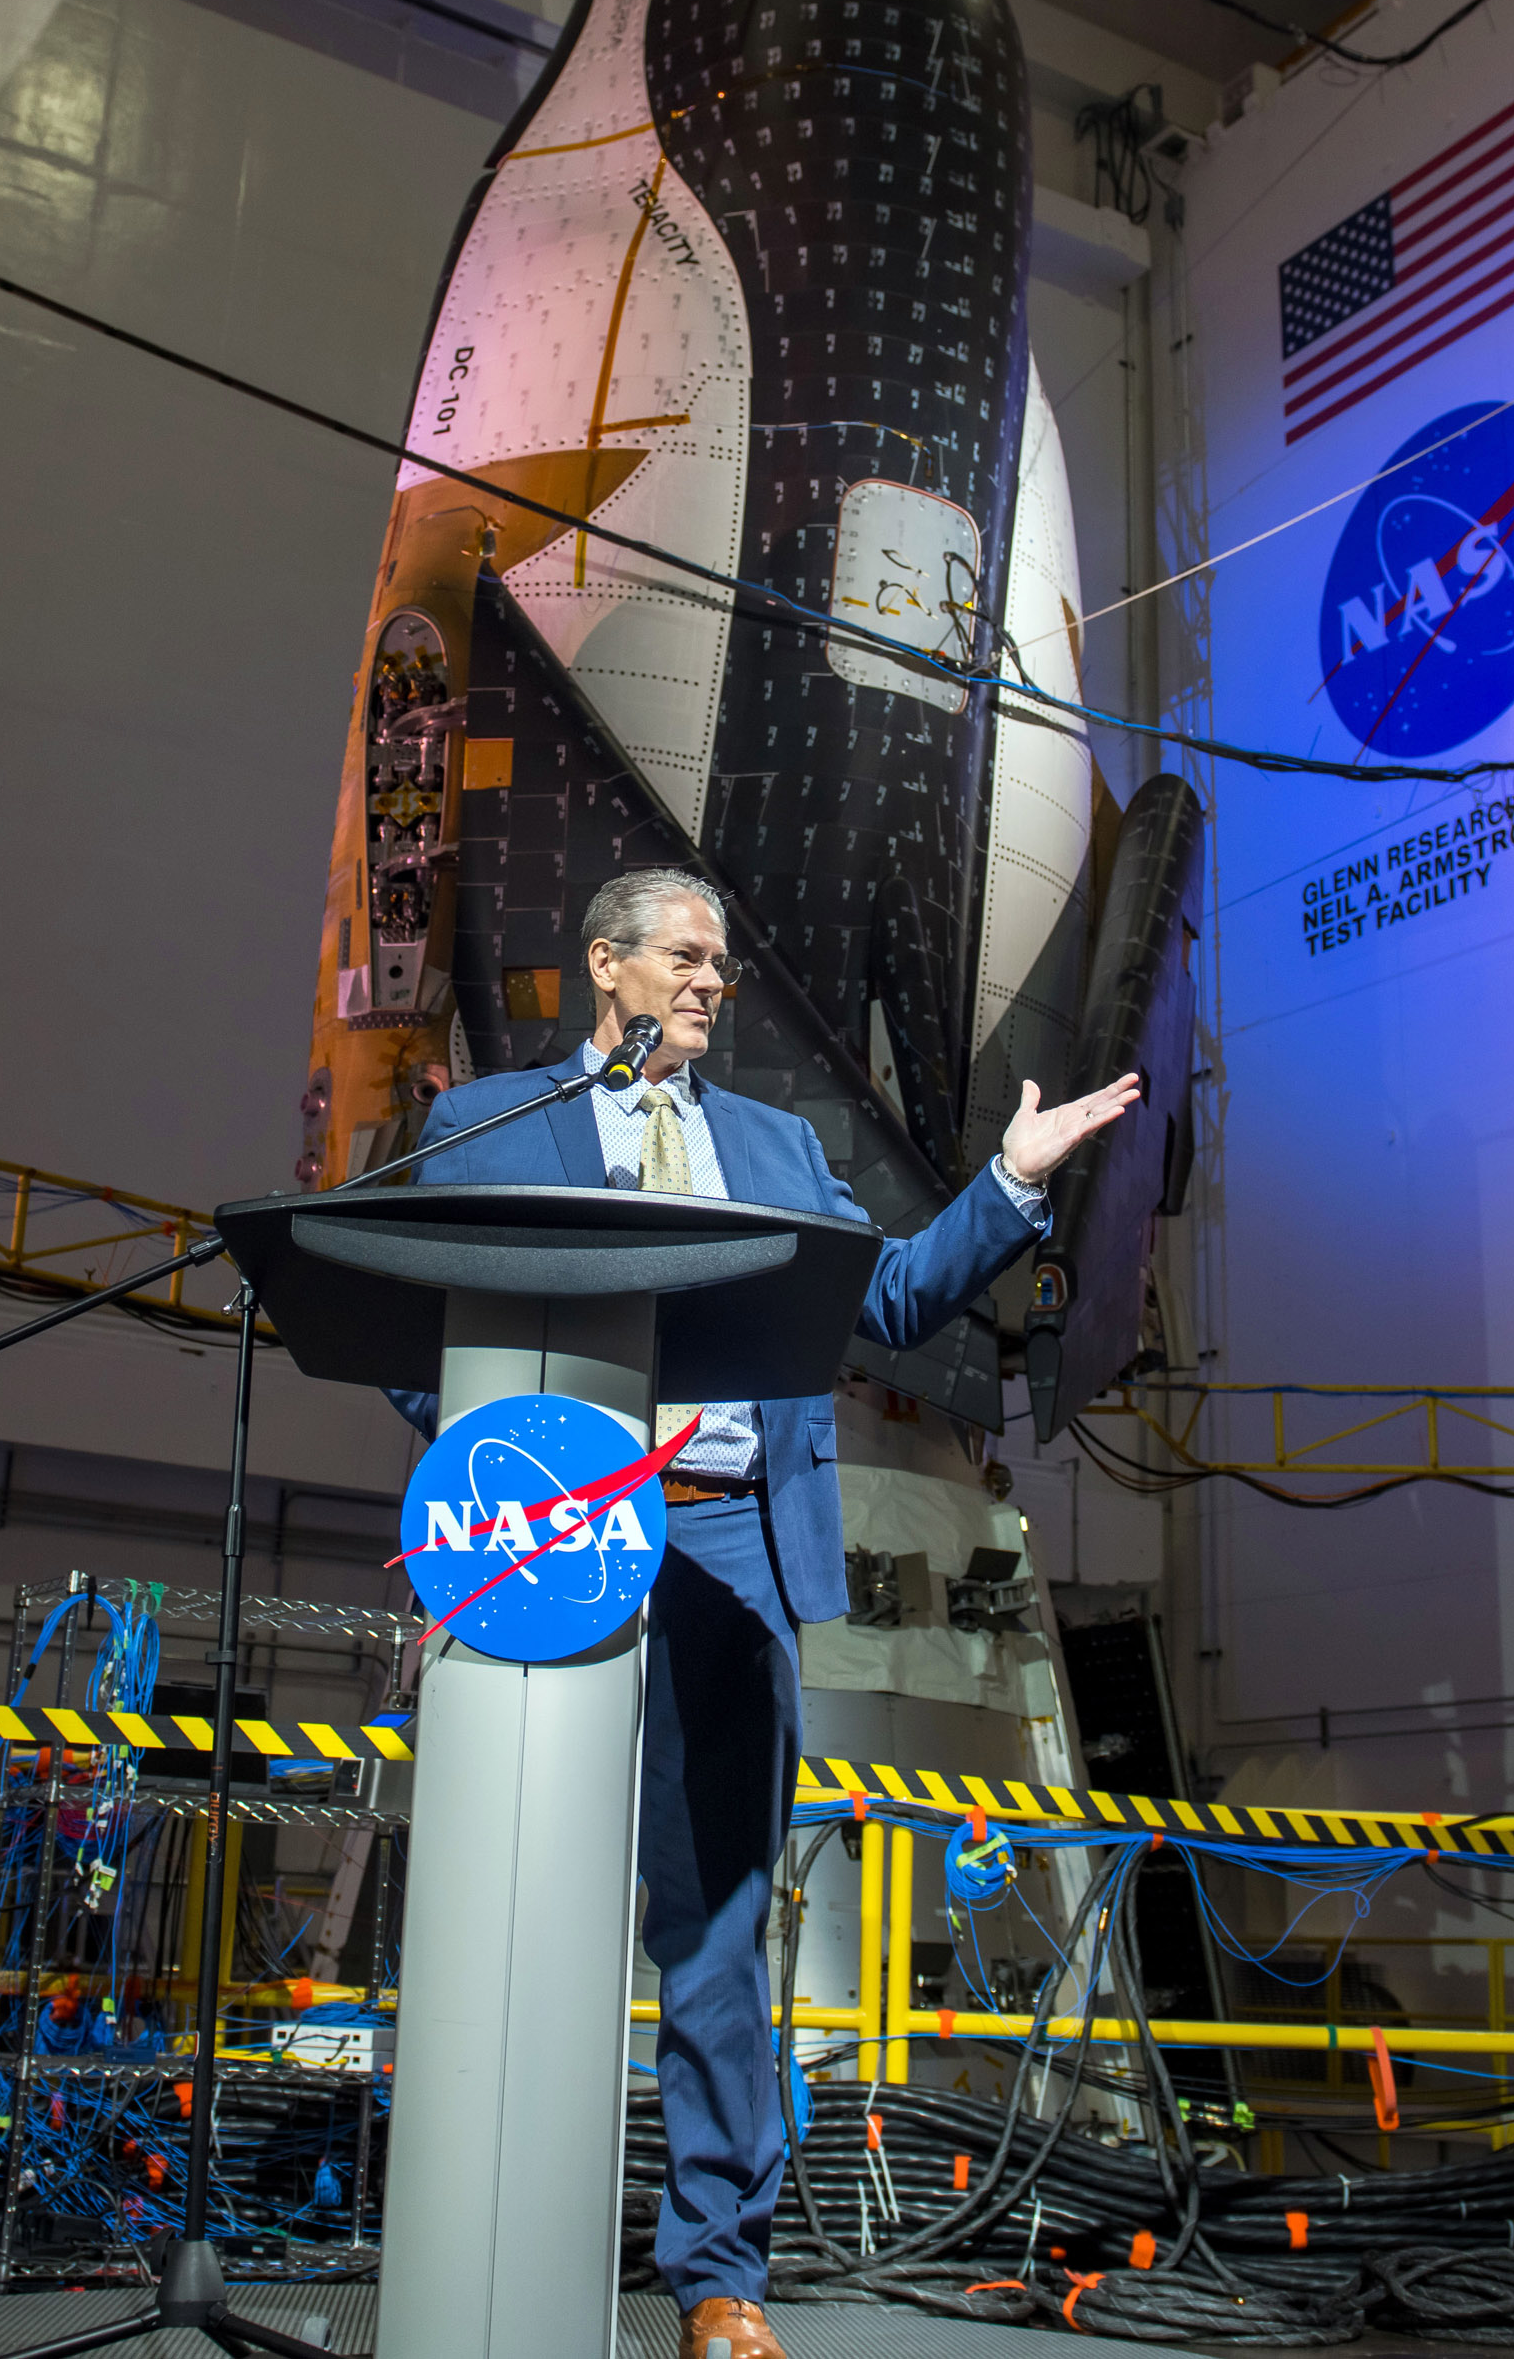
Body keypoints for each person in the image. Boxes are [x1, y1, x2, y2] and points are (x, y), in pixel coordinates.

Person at [390, 868, 1140, 2359]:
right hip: (546, 1544)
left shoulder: (777, 1147)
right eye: (684, 955)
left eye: (723, 963)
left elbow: (906, 1299)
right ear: (604, 964)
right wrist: (497, 1457)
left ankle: (719, 2276)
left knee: (722, 1925)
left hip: (727, 1549)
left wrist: (1013, 1181)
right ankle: (474, 2230)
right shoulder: (488, 1126)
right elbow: (424, 1338)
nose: (711, 981)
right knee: (517, 1898)